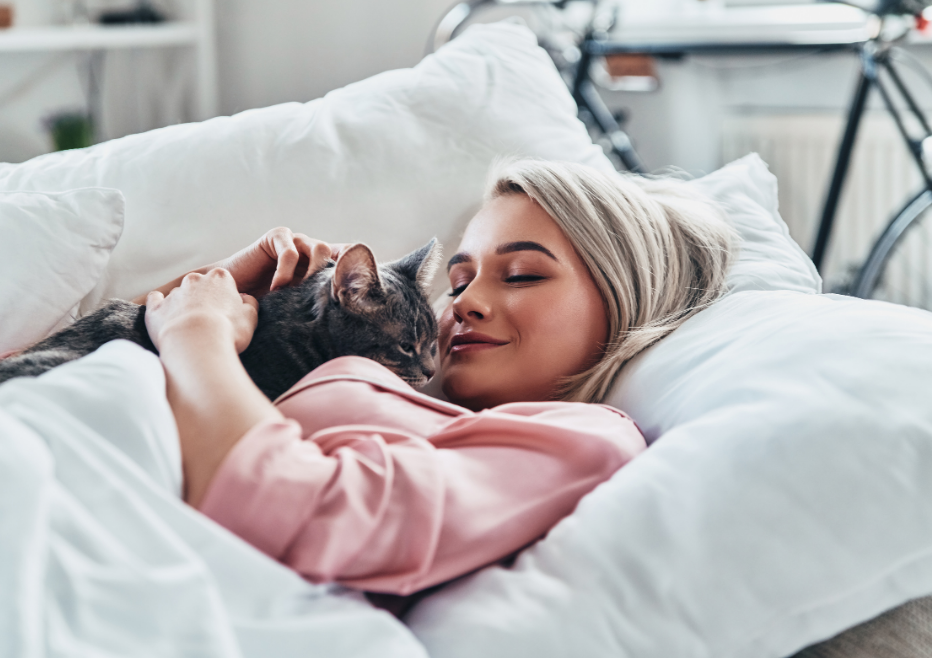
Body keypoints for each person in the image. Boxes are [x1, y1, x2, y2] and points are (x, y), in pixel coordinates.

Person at [141, 159, 735, 596]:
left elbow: (295, 513)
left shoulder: (587, 440)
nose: (463, 304)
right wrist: (230, 287)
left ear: (624, 296)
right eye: (456, 282)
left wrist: (197, 334)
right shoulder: (406, 387)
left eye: (522, 274)